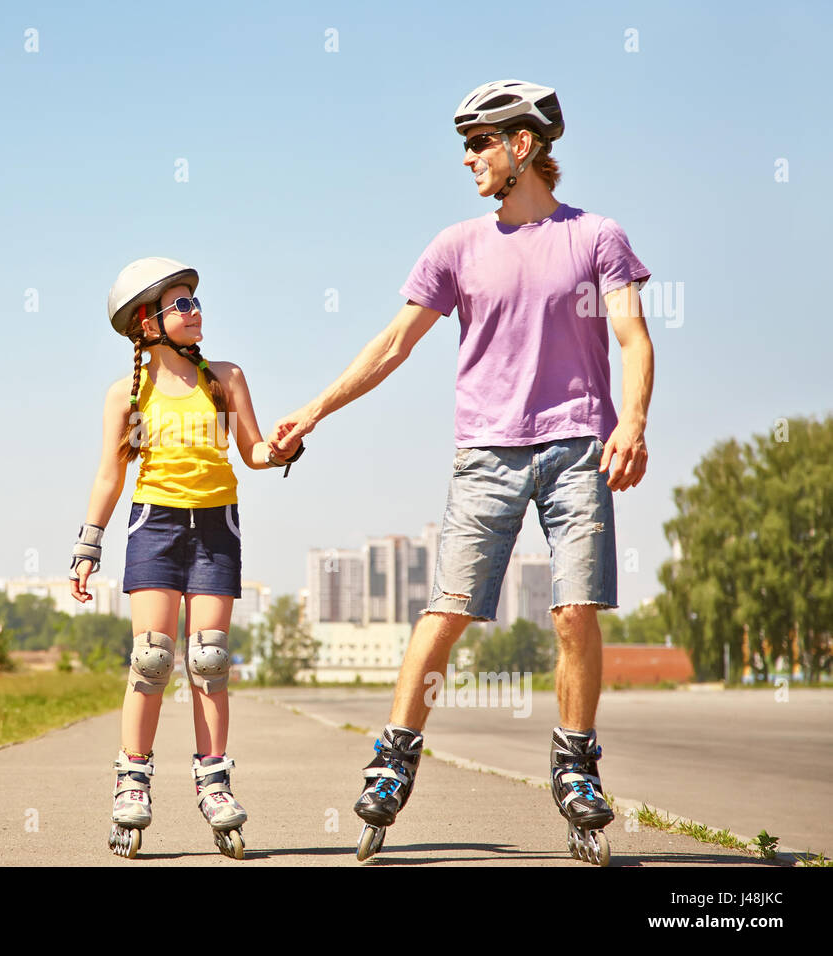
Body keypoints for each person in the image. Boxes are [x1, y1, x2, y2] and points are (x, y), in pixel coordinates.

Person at [269, 80, 654, 865]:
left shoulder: (597, 237)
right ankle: (393, 757)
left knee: (575, 610)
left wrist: (636, 423)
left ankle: (575, 768)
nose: (469, 158)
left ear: (523, 145)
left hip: (578, 443)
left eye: (481, 142)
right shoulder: (456, 246)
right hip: (485, 451)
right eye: (465, 145)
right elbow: (391, 346)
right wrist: (314, 410)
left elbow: (634, 338)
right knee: (445, 611)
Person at [69, 257, 304, 859]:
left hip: (216, 529)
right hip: (155, 526)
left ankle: (215, 783)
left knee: (210, 661)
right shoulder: (127, 394)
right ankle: (132, 781)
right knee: (151, 661)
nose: (195, 311)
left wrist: (281, 449)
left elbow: (250, 451)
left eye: (195, 302)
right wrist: (87, 546)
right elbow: (108, 475)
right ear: (146, 320)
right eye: (181, 304)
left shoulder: (225, 378)